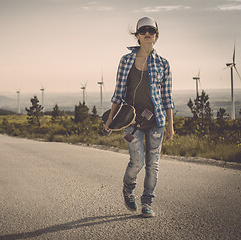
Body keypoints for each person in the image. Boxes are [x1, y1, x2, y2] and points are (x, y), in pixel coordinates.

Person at [104, 17, 174, 218]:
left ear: (156, 35)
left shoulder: (163, 64)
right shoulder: (125, 61)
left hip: (156, 122)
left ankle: (147, 203)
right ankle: (128, 188)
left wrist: (170, 126)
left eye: (151, 30)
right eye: (143, 30)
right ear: (137, 36)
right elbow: (118, 93)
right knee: (137, 162)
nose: (147, 33)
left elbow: (167, 97)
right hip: (130, 120)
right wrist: (110, 120)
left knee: (153, 164)